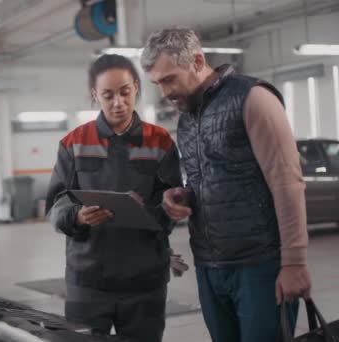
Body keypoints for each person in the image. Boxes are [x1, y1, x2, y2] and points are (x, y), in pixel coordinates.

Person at [140, 27, 312, 342]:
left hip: (260, 266)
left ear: (197, 60)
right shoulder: (187, 117)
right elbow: (209, 179)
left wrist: (295, 262)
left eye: (169, 79)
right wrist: (181, 196)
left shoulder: (253, 98)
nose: (164, 92)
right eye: (157, 83)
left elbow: (287, 182)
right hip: (210, 266)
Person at [45, 53, 183, 341]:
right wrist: (77, 216)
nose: (118, 102)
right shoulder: (74, 143)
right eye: (108, 95)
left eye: (125, 92)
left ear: (136, 87)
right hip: (88, 283)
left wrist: (159, 210)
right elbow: (56, 205)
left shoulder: (160, 142)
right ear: (95, 95)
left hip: (145, 283)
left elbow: (170, 206)